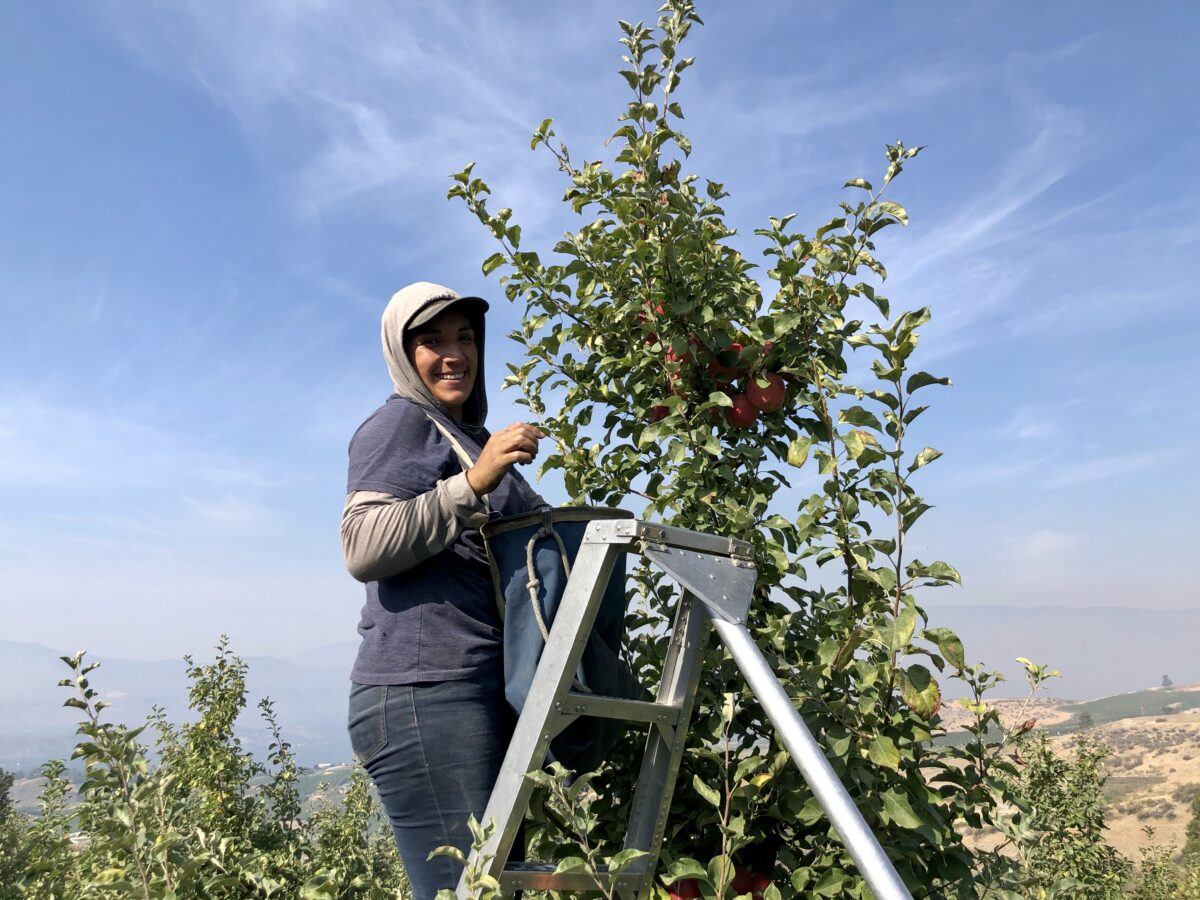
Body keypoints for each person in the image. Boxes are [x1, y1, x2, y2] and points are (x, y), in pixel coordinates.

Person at [341, 281, 547, 898]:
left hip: (474, 687)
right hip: (425, 692)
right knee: (470, 890)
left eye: (465, 338)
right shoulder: (401, 424)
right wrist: (472, 484)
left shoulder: (466, 438)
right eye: (431, 341)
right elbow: (362, 546)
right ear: (403, 355)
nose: (453, 354)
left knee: (496, 884)